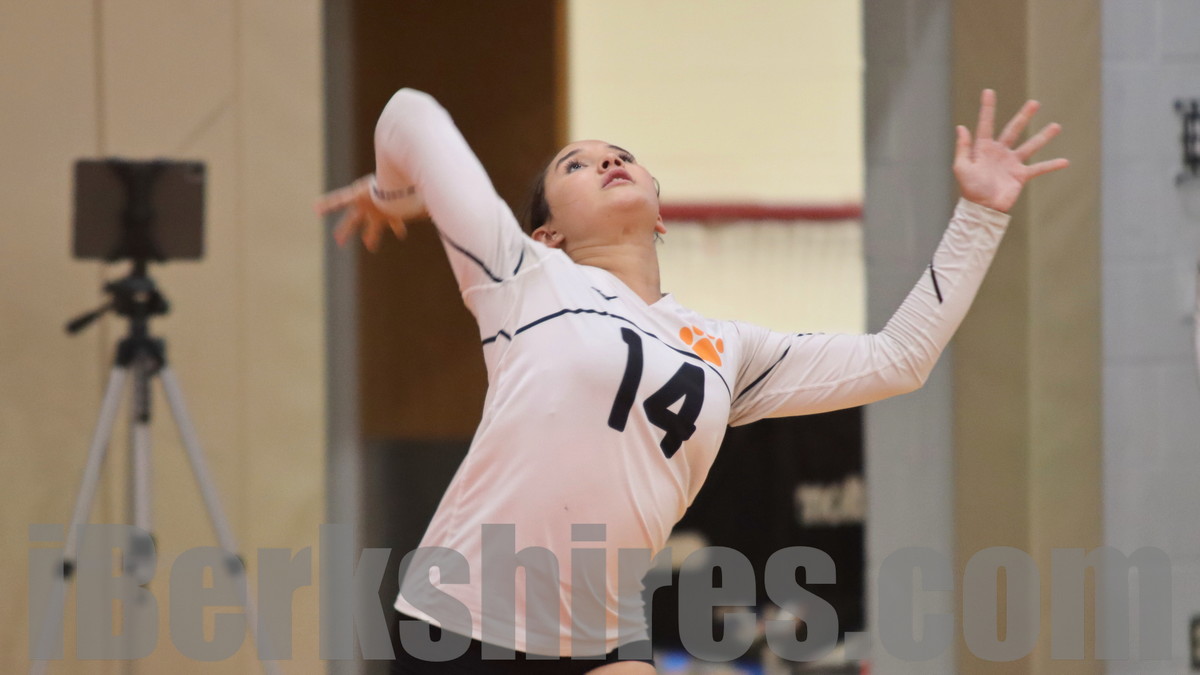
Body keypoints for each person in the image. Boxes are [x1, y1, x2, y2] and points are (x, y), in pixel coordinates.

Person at [316, 87, 1067, 674]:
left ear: (660, 213)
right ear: (549, 232)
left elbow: (898, 359)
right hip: (460, 623)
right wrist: (391, 190)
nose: (607, 162)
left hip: (602, 638)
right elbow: (408, 112)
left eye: (622, 156)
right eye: (576, 165)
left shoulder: (726, 349)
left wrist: (980, 213)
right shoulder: (523, 274)